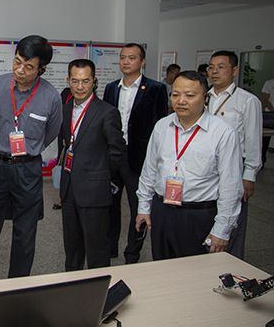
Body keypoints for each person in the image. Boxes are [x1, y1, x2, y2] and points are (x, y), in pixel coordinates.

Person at [0, 35, 62, 280]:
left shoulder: (51, 97)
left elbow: (51, 132)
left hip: (28, 170)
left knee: (25, 233)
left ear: (41, 69)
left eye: (28, 66)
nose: (20, 70)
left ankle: (17, 286)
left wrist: (30, 149)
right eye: (17, 62)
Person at [135, 71, 244, 260]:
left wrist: (222, 230)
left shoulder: (223, 133)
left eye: (190, 95)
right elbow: (149, 170)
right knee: (161, 267)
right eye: (175, 95)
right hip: (162, 210)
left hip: (197, 215)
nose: (181, 101)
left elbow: (231, 186)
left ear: (205, 97)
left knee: (196, 272)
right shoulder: (162, 126)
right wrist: (143, 207)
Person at [103, 43, 168, 264]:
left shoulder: (155, 89)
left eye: (131, 58)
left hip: (138, 158)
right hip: (113, 155)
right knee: (110, 205)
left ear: (142, 61)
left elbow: (161, 128)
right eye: (122, 58)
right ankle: (110, 247)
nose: (126, 62)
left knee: (138, 206)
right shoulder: (111, 88)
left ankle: (133, 252)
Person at [59, 59, 125, 270]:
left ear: (94, 82)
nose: (80, 87)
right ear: (68, 80)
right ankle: (72, 283)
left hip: (94, 190)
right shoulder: (65, 108)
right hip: (69, 188)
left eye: (85, 81)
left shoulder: (107, 111)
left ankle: (99, 286)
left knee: (96, 247)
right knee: (72, 246)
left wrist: (100, 174)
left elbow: (117, 151)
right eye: (75, 81)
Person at [207, 51, 262, 260]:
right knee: (210, 215)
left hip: (235, 166)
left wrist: (249, 175)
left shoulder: (247, 101)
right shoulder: (204, 97)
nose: (215, 72)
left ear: (235, 70)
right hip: (207, 166)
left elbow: (253, 141)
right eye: (211, 67)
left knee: (233, 218)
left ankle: (231, 263)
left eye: (221, 67)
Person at [261, 73, 274, 165]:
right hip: (270, 114)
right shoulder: (269, 83)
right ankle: (262, 159)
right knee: (265, 138)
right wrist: (273, 110)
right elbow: (266, 99)